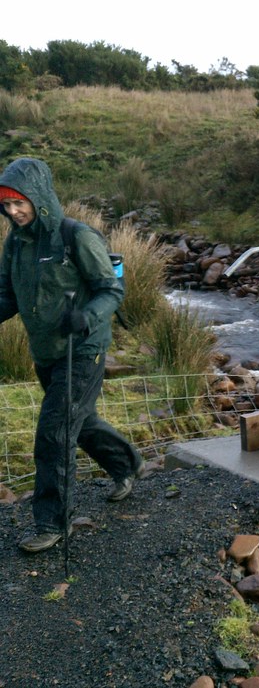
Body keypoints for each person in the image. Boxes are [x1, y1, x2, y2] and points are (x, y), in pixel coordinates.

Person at [0, 157, 142, 554]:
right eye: (6, 206)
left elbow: (110, 289)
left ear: (39, 197)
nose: (13, 212)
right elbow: (6, 297)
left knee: (54, 432)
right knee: (81, 420)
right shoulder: (16, 243)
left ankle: (52, 522)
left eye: (19, 203)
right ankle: (127, 463)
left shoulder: (77, 237)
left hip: (83, 351)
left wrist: (86, 316)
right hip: (46, 351)